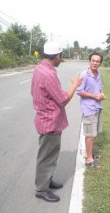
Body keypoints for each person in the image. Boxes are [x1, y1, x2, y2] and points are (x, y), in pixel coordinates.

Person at [31, 41, 82, 202]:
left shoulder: (41, 69)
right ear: (57, 56)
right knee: (47, 157)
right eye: (61, 57)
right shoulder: (48, 74)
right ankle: (41, 190)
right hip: (49, 122)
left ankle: (47, 181)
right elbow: (62, 100)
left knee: (50, 156)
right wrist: (75, 85)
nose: (61, 60)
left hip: (45, 119)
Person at [76, 53, 105, 169]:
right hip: (89, 109)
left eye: (97, 61)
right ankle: (89, 159)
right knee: (90, 135)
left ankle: (89, 154)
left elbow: (99, 89)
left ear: (100, 63)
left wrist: (101, 94)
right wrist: (94, 96)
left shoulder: (98, 74)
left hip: (97, 107)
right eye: (93, 60)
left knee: (93, 133)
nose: (95, 63)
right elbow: (79, 91)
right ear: (89, 61)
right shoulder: (84, 75)